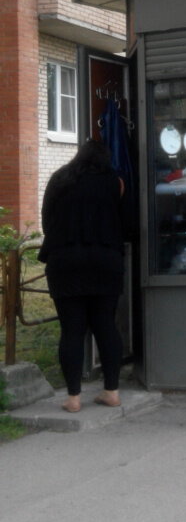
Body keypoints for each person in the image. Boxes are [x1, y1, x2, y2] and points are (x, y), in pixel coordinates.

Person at [38, 139, 129, 413]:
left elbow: (46, 220)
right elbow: (126, 223)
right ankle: (111, 392)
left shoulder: (59, 179)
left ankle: (73, 398)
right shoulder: (116, 183)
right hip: (105, 261)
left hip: (65, 261)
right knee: (106, 325)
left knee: (72, 330)